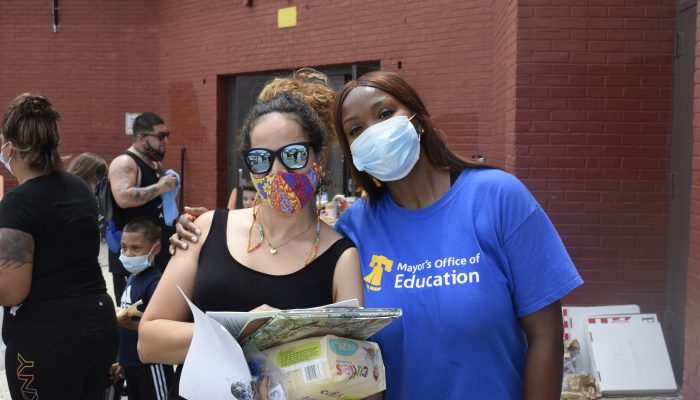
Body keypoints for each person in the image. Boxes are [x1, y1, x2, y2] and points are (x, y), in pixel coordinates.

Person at [174, 71, 584, 399]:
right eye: (354, 129)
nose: (372, 132)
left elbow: (545, 334)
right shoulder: (353, 230)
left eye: (385, 114)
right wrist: (202, 228)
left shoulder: (497, 197)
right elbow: (285, 253)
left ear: (417, 120)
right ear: (350, 151)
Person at [138, 93, 365, 398]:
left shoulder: (341, 258)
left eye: (293, 155)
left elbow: (354, 374)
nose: (277, 172)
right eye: (261, 159)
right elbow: (149, 341)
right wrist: (244, 332)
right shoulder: (205, 229)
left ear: (320, 158)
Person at [0, 93, 118, 399]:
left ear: (10, 149)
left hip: (47, 338)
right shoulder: (78, 187)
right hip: (98, 325)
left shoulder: (18, 202)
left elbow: (12, 290)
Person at [108, 112, 178, 304]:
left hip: (155, 254)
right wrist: (160, 187)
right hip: (133, 259)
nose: (165, 141)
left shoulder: (155, 164)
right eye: (160, 136)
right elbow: (123, 197)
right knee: (132, 317)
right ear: (141, 138)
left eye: (167, 136)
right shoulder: (125, 163)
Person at [112, 217, 173, 400]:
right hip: (132, 364)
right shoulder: (132, 278)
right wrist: (122, 360)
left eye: (136, 248)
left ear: (156, 248)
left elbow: (162, 328)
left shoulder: (154, 284)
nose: (128, 253)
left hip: (152, 365)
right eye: (124, 247)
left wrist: (129, 323)